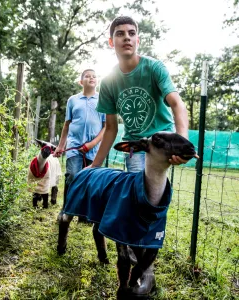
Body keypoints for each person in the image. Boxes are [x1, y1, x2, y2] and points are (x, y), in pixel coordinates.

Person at [89, 16, 189, 298]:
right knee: (134, 202)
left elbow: (177, 103)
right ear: (112, 43)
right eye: (120, 34)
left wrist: (179, 143)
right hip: (135, 148)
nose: (127, 38)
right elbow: (110, 128)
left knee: (151, 204)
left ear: (138, 39)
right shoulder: (109, 81)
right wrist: (94, 167)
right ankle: (131, 253)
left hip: (162, 142)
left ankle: (145, 272)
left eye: (132, 33)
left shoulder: (154, 68)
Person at [54, 69, 106, 222]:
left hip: (94, 149)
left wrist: (92, 143)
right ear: (81, 81)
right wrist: (60, 146)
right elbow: (67, 125)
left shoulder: (102, 100)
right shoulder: (73, 100)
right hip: (75, 146)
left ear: (97, 81)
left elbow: (106, 127)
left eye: (94, 76)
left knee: (91, 180)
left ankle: (84, 214)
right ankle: (66, 209)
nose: (91, 78)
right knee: (72, 176)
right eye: (87, 76)